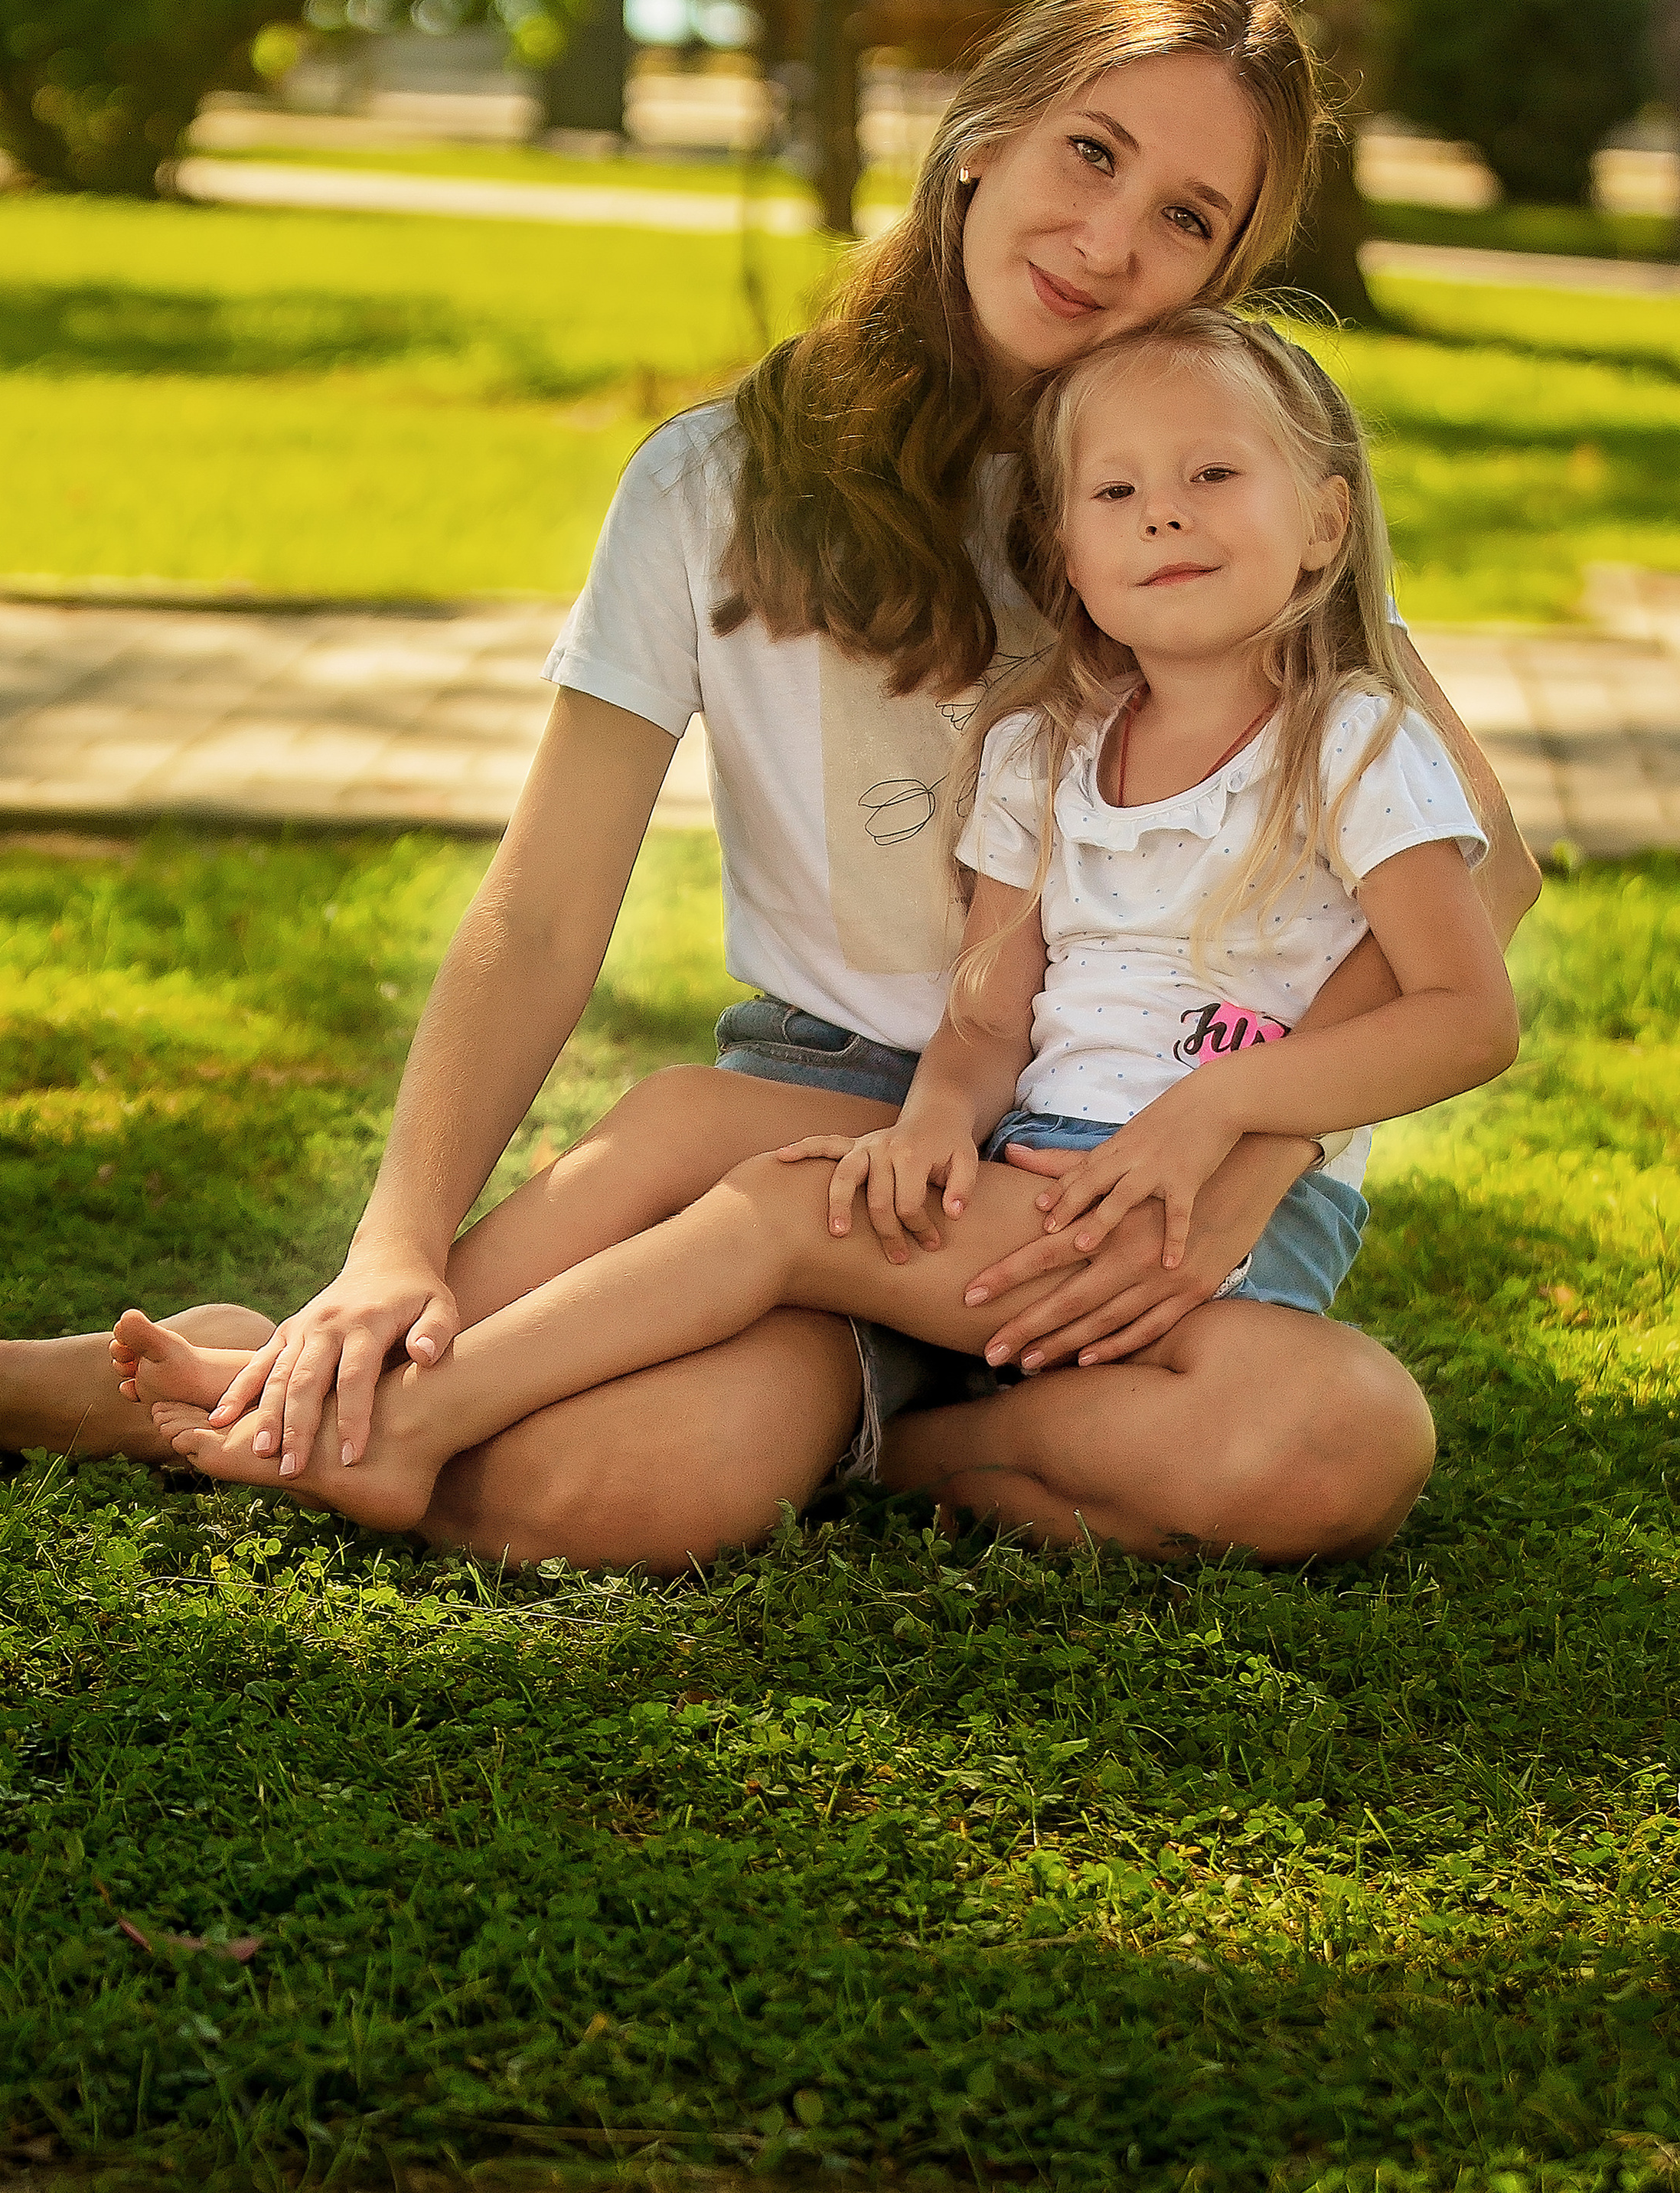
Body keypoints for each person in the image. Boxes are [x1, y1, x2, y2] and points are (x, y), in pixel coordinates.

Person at [0, 0, 1540, 1565]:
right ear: (983, 134)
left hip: (1130, 1160)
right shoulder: (710, 490)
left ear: (1226, 270)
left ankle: (878, 1447)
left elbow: (1479, 867)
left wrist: (1237, 1146)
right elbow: (542, 913)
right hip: (822, 1113)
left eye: (1187, 216)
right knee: (598, 1497)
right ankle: (299, 1374)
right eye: (1089, 153)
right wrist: (396, 1247)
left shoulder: (1201, 499)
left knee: (1326, 1443)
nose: (1109, 240)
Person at [117, 308, 1518, 1559]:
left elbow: (1466, 1013)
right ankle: (364, 1382)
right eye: (1119, 491)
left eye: (1215, 476)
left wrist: (1221, 1115)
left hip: (1216, 1243)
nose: (1167, 515)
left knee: (1338, 1434)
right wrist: (930, 1125)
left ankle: (487, 1426)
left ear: (1325, 526)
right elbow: (989, 1012)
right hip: (1022, 1187)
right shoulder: (1045, 750)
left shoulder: (1354, 743)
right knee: (732, 1153)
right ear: (1067, 557)